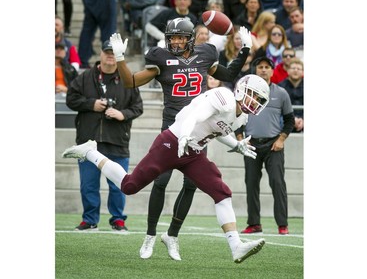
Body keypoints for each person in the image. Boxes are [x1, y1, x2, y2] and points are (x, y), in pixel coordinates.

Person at [62, 74, 270, 263]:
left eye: (259, 100)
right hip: (172, 142)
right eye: (253, 95)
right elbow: (195, 116)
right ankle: (90, 152)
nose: (254, 102)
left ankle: (236, 247)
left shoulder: (241, 117)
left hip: (194, 153)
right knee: (129, 185)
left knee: (222, 193)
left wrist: (236, 145)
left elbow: (219, 129)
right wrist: (184, 136)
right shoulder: (223, 96)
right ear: (242, 89)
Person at [109, 19, 253, 260]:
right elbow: (130, 82)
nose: (175, 42)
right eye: (172, 37)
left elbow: (228, 73)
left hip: (198, 130)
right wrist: (121, 59)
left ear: (191, 38)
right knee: (161, 180)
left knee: (190, 184)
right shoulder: (161, 58)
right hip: (173, 128)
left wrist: (245, 50)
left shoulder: (206, 54)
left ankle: (172, 235)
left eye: (179, 37)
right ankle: (150, 235)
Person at [65, 40, 144, 232]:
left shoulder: (128, 79)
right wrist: (90, 104)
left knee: (118, 184)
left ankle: (118, 220)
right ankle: (90, 220)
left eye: (113, 52)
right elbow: (71, 99)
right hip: (88, 143)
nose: (110, 55)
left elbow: (138, 107)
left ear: (118, 56)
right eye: (107, 51)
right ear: (100, 53)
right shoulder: (85, 78)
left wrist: (122, 114)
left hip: (117, 141)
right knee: (88, 185)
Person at [236, 56, 294, 235]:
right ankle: (254, 224)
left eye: (266, 67)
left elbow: (290, 120)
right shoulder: (246, 93)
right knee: (251, 184)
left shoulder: (281, 93)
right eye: (260, 67)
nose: (263, 70)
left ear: (272, 70)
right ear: (255, 70)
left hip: (273, 145)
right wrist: (239, 138)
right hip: (251, 145)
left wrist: (281, 139)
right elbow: (237, 118)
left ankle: (282, 224)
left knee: (277, 183)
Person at [78, 0, 118, 69]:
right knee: (108, 32)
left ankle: (82, 60)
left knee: (87, 31)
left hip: (90, 1)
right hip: (105, 2)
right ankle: (108, 61)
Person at [278, 57, 303, 132]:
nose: (296, 70)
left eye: (298, 69)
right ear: (288, 71)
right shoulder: (280, 87)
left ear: (302, 72)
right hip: (285, 120)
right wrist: (293, 120)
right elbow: (278, 108)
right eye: (293, 68)